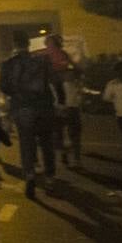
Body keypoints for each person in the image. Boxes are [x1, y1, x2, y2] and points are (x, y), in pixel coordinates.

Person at [0, 30, 63, 198]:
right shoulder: (42, 60)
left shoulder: (8, 63)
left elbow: (3, 87)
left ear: (14, 45)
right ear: (28, 44)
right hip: (43, 106)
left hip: (22, 108)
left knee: (26, 144)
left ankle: (30, 175)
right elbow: (56, 82)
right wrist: (61, 102)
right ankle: (50, 178)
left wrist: (17, 94)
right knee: (47, 143)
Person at [44, 36, 84, 167]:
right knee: (72, 134)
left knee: (60, 133)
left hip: (60, 106)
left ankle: (67, 155)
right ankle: (73, 158)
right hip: (68, 105)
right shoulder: (67, 71)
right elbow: (78, 70)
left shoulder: (48, 61)